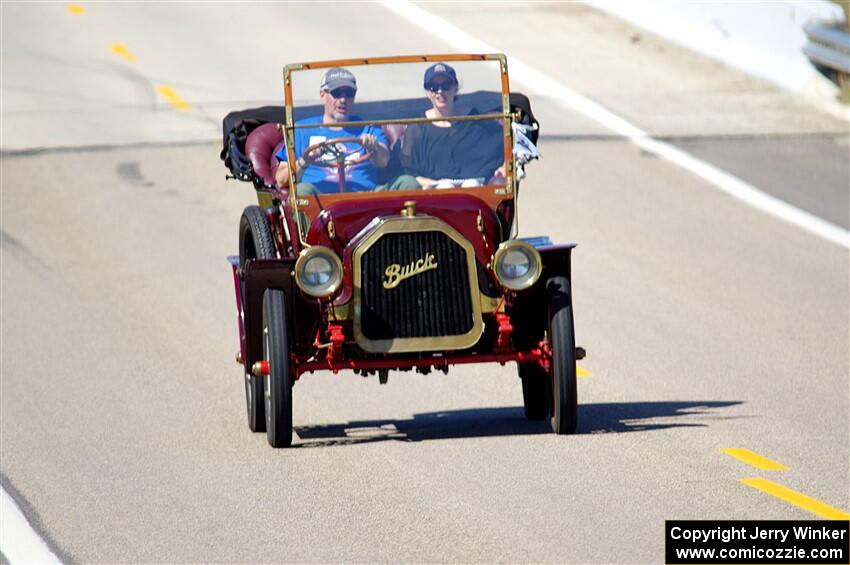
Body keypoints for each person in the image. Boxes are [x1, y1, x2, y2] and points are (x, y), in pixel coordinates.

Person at [275, 67, 419, 194]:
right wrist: (305, 160)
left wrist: (373, 147)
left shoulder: (369, 128)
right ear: (322, 95)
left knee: (408, 183)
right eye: (337, 93)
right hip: (320, 200)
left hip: (365, 197)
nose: (343, 99)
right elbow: (281, 179)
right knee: (302, 191)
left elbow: (383, 161)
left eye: (349, 93)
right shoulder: (301, 130)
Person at [400, 63, 505, 188]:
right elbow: (410, 174)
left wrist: (504, 167)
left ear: (455, 88)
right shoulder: (417, 128)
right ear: (428, 92)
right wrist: (434, 183)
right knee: (445, 187)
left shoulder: (477, 120)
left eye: (446, 86)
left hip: (476, 190)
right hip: (434, 194)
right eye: (433, 87)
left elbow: (507, 143)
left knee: (471, 185)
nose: (440, 91)